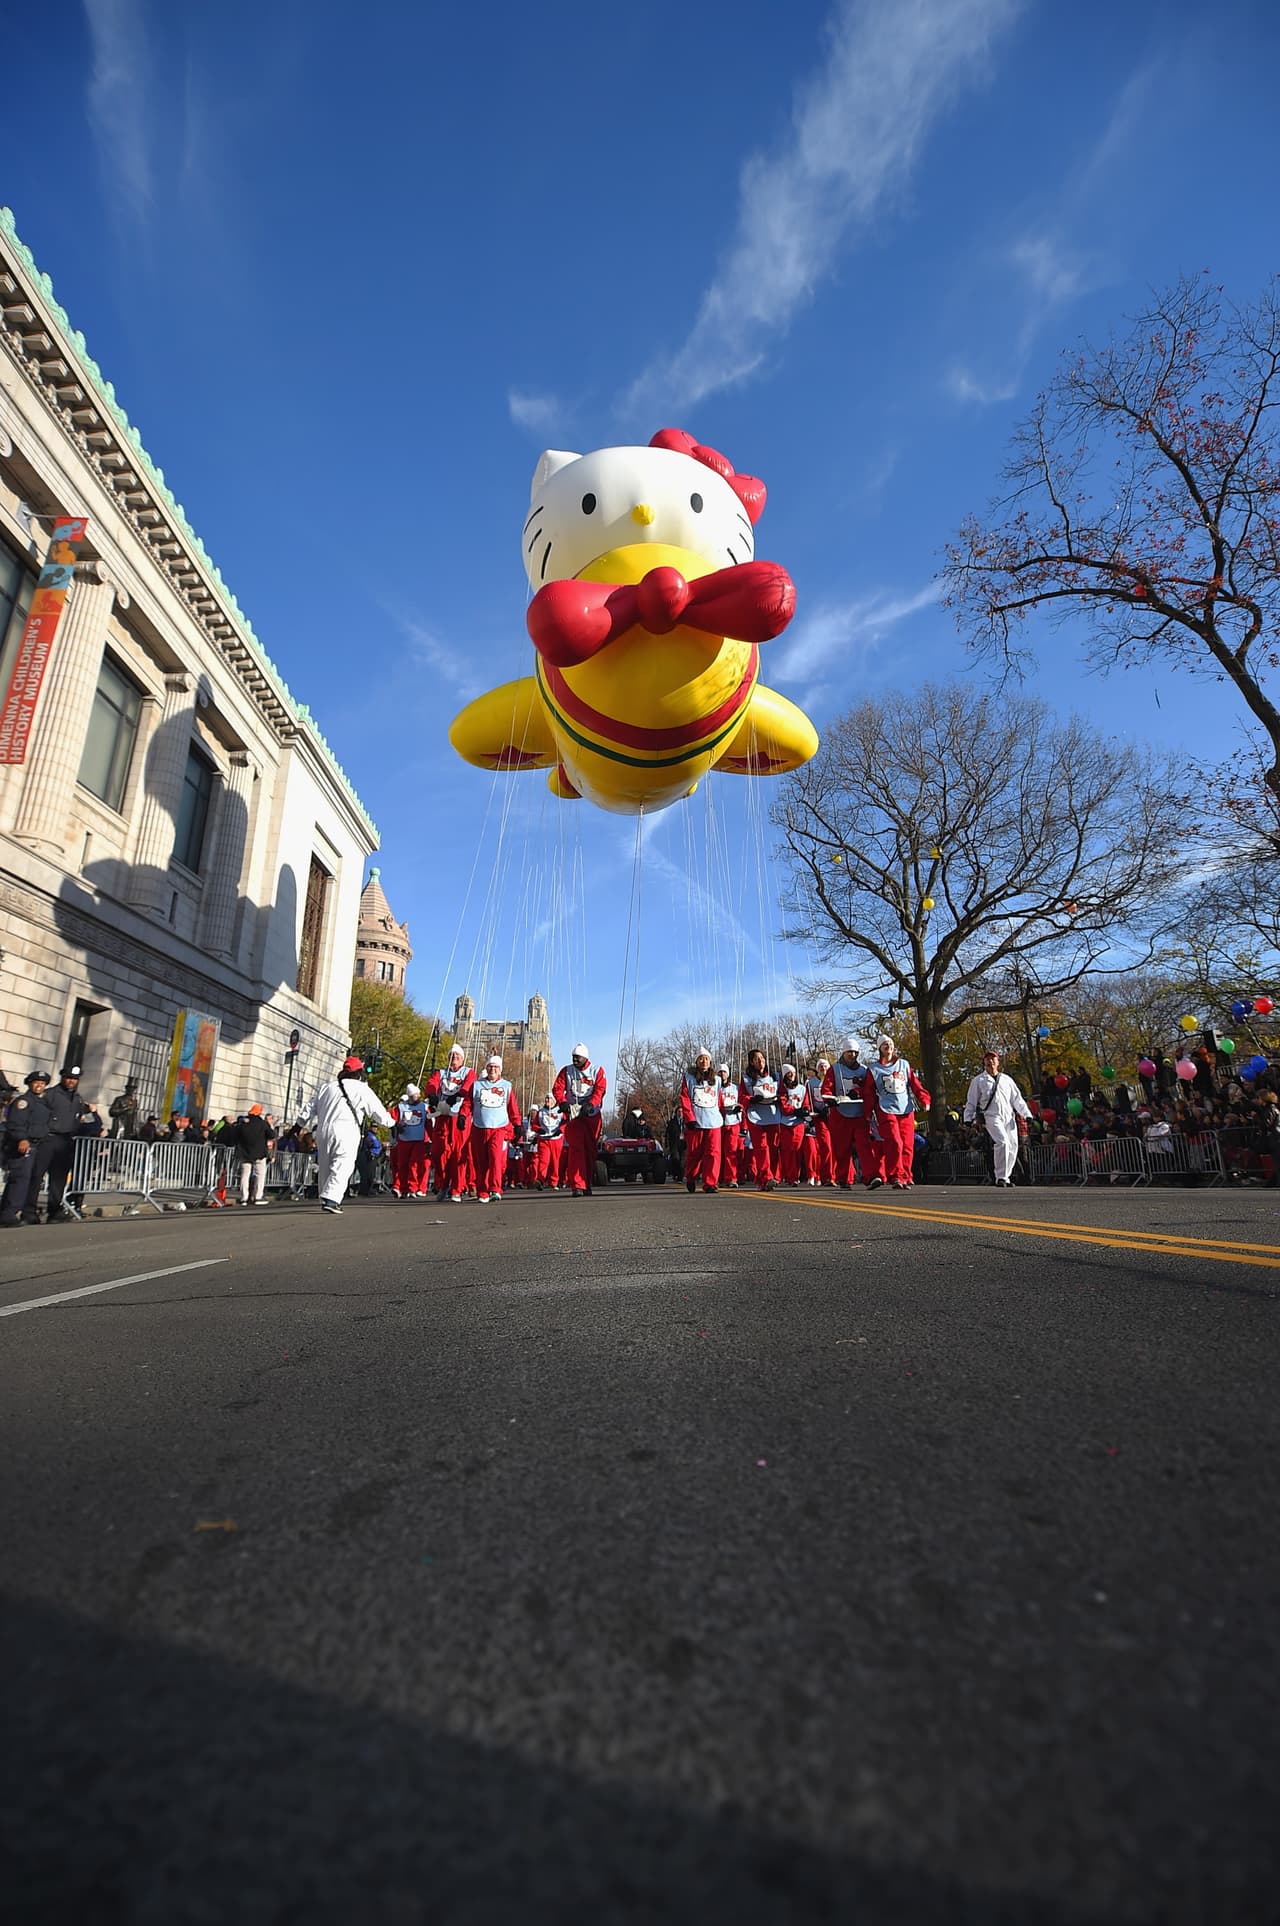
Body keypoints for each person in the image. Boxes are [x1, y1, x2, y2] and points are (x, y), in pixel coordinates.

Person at [304, 1055, 393, 1215]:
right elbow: (377, 1111)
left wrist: (298, 1125)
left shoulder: (327, 1087)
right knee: (343, 1163)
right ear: (359, 1073)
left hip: (323, 1130)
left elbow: (310, 1107)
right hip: (346, 1128)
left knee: (326, 1164)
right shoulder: (361, 1088)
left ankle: (324, 1196)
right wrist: (391, 1123)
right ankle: (331, 1198)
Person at [864, 1035, 931, 1190]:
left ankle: (906, 1175)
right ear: (880, 1048)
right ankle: (895, 1176)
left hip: (906, 1109)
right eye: (884, 1044)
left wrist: (924, 1100)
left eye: (890, 1044)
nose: (888, 1046)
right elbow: (868, 1092)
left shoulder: (904, 1065)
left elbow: (915, 1085)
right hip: (886, 1109)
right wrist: (868, 1112)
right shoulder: (873, 1069)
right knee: (895, 1142)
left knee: (907, 1145)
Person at [963, 1048, 1032, 1188]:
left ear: (998, 1062)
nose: (990, 1061)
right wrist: (968, 1118)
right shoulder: (978, 1080)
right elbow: (971, 1100)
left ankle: (1006, 1177)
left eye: (993, 1059)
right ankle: (1000, 1176)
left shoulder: (1007, 1080)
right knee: (1002, 1142)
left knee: (1012, 1146)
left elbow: (1017, 1099)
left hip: (1009, 1117)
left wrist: (1026, 1114)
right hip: (991, 1116)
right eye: (988, 1059)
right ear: (984, 1062)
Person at [38, 1064, 96, 1223]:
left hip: (65, 1142)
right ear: (63, 1077)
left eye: (75, 1079)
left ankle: (54, 1210)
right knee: (36, 1177)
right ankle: (28, 1211)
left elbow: (87, 1123)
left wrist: (94, 1114)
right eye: (69, 1078)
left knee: (59, 1179)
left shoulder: (77, 1099)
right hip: (48, 1139)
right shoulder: (49, 1095)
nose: (71, 1081)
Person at [822, 1039, 880, 1190]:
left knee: (864, 1146)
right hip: (840, 1114)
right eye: (849, 1052)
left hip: (859, 1114)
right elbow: (826, 1088)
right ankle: (843, 1178)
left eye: (855, 1052)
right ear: (843, 1052)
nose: (852, 1055)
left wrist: (858, 1093)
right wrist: (830, 1100)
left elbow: (868, 1089)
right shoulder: (834, 1069)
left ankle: (871, 1176)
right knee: (842, 1148)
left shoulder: (863, 1070)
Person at [553, 1043, 606, 1197]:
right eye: (573, 1057)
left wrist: (592, 1104)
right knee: (576, 1150)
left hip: (591, 1116)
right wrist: (562, 1102)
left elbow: (600, 1089)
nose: (575, 1060)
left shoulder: (597, 1071)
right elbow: (558, 1088)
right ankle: (577, 1185)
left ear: (585, 1058)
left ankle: (586, 1182)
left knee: (590, 1150)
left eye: (578, 1057)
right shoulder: (566, 1071)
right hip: (574, 1116)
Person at [0, 1071, 52, 1227]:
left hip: (37, 1145)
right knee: (19, 1179)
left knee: (29, 1179)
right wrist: (22, 1138)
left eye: (42, 1084)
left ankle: (15, 1211)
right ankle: (8, 1214)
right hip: (23, 1144)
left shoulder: (43, 1103)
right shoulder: (23, 1102)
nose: (39, 1086)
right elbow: (16, 1123)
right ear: (30, 1083)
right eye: (36, 1083)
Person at [469, 1053, 522, 1201]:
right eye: (490, 1067)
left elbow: (512, 1107)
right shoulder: (477, 1085)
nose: (493, 1069)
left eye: (496, 1067)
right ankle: (483, 1192)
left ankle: (495, 1188)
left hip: (499, 1128)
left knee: (495, 1159)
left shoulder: (506, 1086)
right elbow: (468, 1103)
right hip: (480, 1127)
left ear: (500, 1070)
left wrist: (517, 1124)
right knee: (481, 1162)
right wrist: (462, 1115)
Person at [426, 1047, 475, 1203]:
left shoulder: (468, 1072)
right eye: (452, 1055)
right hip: (442, 1115)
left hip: (458, 1116)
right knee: (437, 1152)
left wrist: (457, 1096)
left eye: (457, 1055)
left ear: (462, 1058)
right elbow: (431, 1084)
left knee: (458, 1154)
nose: (454, 1057)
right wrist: (432, 1094)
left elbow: (468, 1087)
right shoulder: (440, 1073)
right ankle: (444, 1182)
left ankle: (456, 1188)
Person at [680, 1049, 725, 1193]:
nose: (704, 1061)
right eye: (701, 1059)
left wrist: (723, 1115)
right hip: (696, 1122)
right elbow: (685, 1099)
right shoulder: (688, 1078)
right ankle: (691, 1177)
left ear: (710, 1061)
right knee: (694, 1153)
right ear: (696, 1062)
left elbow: (719, 1100)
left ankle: (710, 1183)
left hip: (713, 1122)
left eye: (706, 1059)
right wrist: (689, 1118)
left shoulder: (717, 1080)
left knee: (713, 1153)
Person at [740, 1049, 783, 1190]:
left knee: (773, 1148)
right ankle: (767, 1177)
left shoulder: (775, 1076)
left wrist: (780, 1099)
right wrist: (751, 1099)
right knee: (761, 1148)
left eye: (762, 1058)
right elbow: (741, 1097)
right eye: (757, 1059)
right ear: (751, 1062)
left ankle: (765, 1179)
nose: (761, 1061)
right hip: (755, 1116)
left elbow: (783, 1093)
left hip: (772, 1114)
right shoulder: (746, 1079)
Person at [388, 1082, 431, 1198]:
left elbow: (428, 1123)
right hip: (404, 1140)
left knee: (414, 1164)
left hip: (419, 1140)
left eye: (418, 1095)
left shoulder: (424, 1107)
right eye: (414, 1096)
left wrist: (431, 1138)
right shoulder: (401, 1107)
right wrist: (397, 1126)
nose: (416, 1097)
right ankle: (403, 1189)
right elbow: (391, 1118)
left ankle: (412, 1188)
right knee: (402, 1165)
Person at [234, 1103, 276, 1205]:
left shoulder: (244, 1122)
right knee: (260, 1175)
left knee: (245, 1175)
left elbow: (236, 1134)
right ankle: (258, 1197)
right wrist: (271, 1126)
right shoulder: (262, 1123)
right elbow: (272, 1135)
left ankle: (244, 1197)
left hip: (244, 1153)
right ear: (259, 1112)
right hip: (259, 1153)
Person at [777, 1065, 808, 1186]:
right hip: (785, 1123)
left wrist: (805, 1109)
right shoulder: (782, 1089)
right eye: (789, 1073)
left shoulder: (801, 1088)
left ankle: (795, 1175)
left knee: (797, 1151)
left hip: (798, 1123)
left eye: (793, 1072)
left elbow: (806, 1102)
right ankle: (790, 1176)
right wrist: (794, 1110)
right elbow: (783, 1105)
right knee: (788, 1150)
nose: (792, 1075)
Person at [804, 1059, 833, 1186]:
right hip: (819, 1116)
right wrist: (810, 1112)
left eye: (825, 1066)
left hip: (832, 1116)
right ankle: (825, 1175)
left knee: (834, 1147)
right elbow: (807, 1099)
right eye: (820, 1067)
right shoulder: (811, 1083)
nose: (823, 1069)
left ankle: (833, 1174)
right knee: (825, 1145)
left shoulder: (833, 1080)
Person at [530, 1091, 565, 1189]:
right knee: (543, 1161)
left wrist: (561, 1130)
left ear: (554, 1100)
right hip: (544, 1139)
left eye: (549, 1098)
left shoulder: (560, 1111)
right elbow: (534, 1124)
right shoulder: (541, 1112)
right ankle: (540, 1180)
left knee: (555, 1161)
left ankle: (554, 1182)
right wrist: (538, 1129)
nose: (547, 1100)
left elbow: (566, 1122)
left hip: (556, 1139)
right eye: (546, 1098)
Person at [718, 1062, 743, 1187]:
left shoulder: (735, 1088)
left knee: (731, 1151)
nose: (722, 1074)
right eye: (720, 1072)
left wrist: (739, 1108)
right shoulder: (715, 1087)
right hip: (718, 1123)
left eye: (724, 1072)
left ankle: (731, 1178)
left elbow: (740, 1102)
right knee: (719, 1151)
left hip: (733, 1122)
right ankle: (719, 1177)